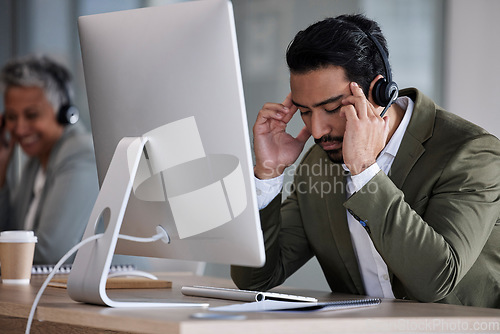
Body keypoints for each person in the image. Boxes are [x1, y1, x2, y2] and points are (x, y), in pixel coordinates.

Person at [231, 14, 500, 308]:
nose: (317, 131)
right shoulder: (317, 165)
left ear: (378, 91)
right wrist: (268, 173)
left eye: (332, 108)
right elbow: (254, 280)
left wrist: (364, 170)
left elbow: (437, 279)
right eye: (304, 111)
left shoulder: (472, 154)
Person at [0, 55, 99, 265]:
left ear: (64, 112)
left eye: (32, 115)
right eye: (11, 116)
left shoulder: (80, 154)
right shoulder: (35, 162)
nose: (19, 128)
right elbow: (10, 235)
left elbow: (51, 253)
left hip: (113, 290)